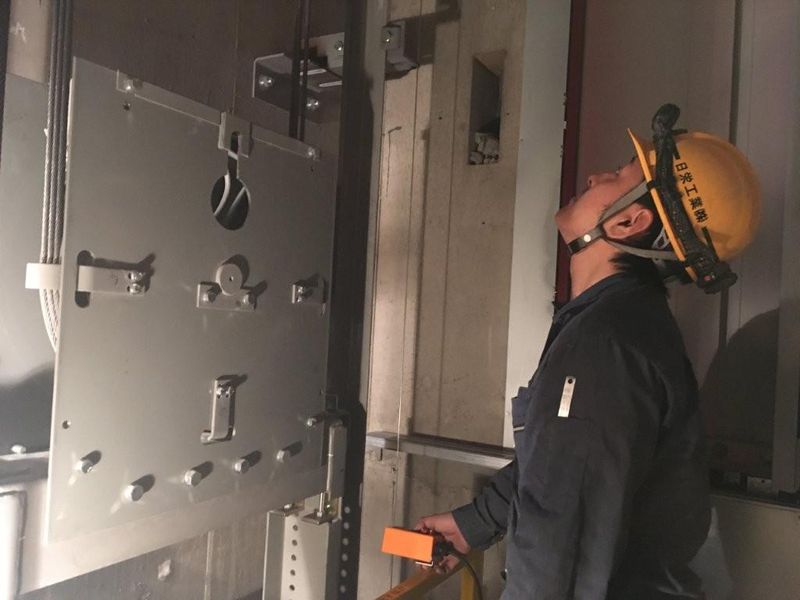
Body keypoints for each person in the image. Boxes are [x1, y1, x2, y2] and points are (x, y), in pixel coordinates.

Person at [415, 104, 761, 599]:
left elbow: (560, 548)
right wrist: (478, 521)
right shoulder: (617, 327)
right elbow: (562, 468)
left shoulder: (604, 348)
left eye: (617, 175)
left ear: (629, 222)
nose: (597, 176)